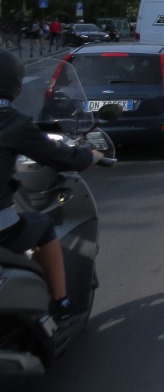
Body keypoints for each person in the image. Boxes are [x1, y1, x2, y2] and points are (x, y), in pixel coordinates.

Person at [0, 49, 102, 320]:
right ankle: (61, 301)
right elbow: (60, 156)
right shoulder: (11, 121)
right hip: (2, 226)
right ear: (14, 83)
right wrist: (90, 156)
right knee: (43, 226)